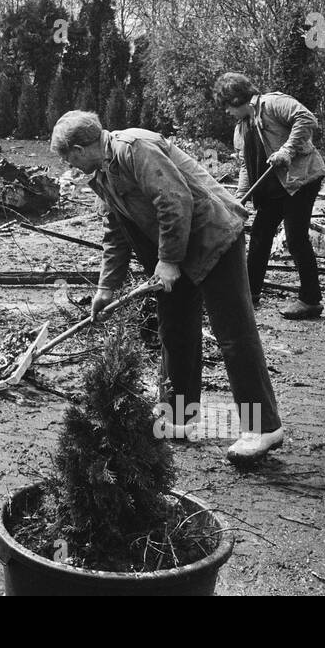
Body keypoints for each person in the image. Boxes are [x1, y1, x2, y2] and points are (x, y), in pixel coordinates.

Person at [50, 110, 285, 461]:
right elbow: (116, 232)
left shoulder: (135, 148)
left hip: (211, 237)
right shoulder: (102, 173)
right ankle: (178, 418)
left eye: (68, 157)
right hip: (173, 251)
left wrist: (169, 261)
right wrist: (106, 288)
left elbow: (174, 200)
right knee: (174, 330)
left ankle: (263, 428)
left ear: (82, 148)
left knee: (234, 334)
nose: (69, 165)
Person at [214, 73, 325, 320]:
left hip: (300, 180)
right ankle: (250, 294)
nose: (226, 112)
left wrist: (286, 149)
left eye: (226, 106)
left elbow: (306, 118)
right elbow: (246, 166)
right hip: (273, 188)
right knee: (260, 236)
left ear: (236, 98)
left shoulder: (272, 103)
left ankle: (311, 300)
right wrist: (239, 200)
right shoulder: (242, 127)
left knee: (296, 238)